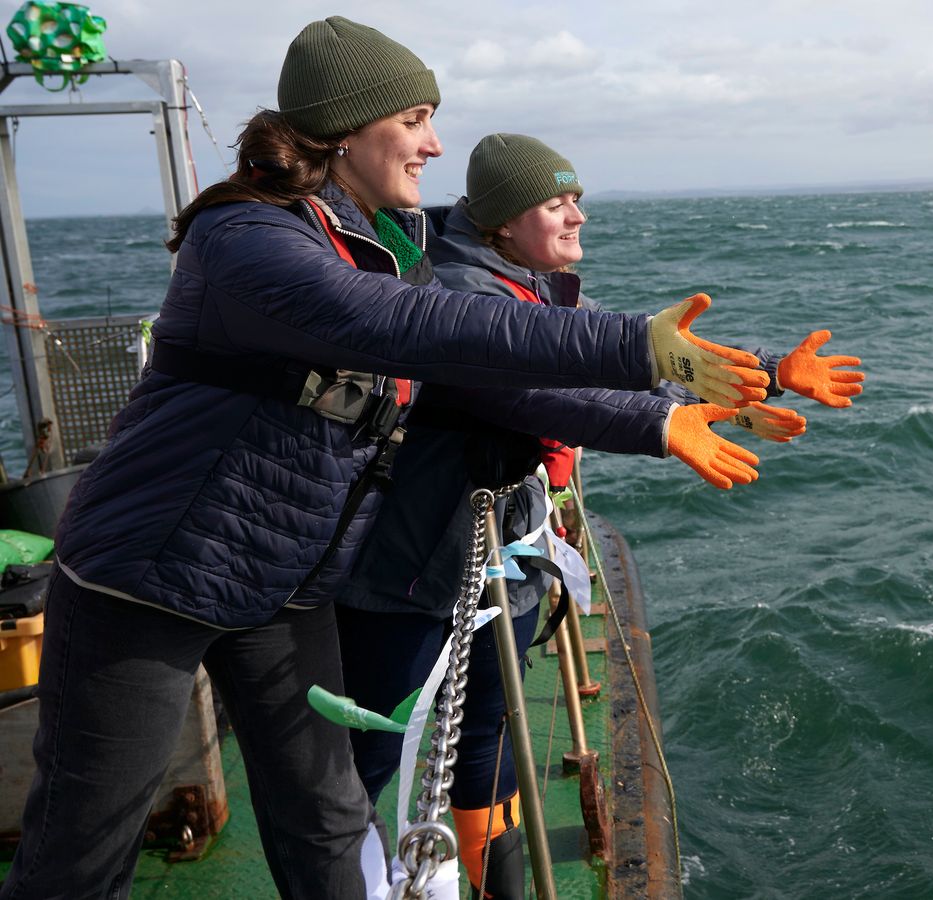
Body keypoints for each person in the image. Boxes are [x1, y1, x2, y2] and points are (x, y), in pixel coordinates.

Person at [0, 18, 778, 899]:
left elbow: (492, 354)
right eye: (414, 119)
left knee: (329, 822)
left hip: (280, 576)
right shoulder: (250, 238)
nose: (434, 143)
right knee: (84, 844)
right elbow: (417, 326)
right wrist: (638, 344)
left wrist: (723, 386)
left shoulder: (383, 242)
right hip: (148, 574)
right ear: (345, 128)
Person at [336, 133, 866, 897]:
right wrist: (659, 427)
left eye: (575, 198)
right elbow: (543, 391)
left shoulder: (527, 284)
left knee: (486, 741)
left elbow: (620, 367)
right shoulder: (457, 297)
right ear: (501, 224)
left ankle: (502, 889)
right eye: (556, 203)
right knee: (362, 759)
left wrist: (770, 373)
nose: (578, 215)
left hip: (501, 565)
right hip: (410, 575)